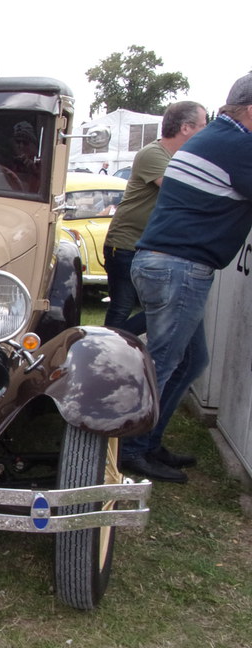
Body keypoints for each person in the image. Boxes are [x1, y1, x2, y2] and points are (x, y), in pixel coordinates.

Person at [119, 74, 252, 483]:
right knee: (163, 363)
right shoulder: (239, 145)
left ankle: (148, 441)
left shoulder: (214, 136)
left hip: (165, 263)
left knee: (191, 361)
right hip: (180, 267)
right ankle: (130, 450)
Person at [103, 101, 208, 335]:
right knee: (125, 308)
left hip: (145, 247)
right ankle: (110, 346)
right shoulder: (153, 154)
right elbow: (180, 191)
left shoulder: (179, 157)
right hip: (126, 244)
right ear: (185, 128)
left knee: (161, 308)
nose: (207, 131)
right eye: (203, 125)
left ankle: (115, 343)